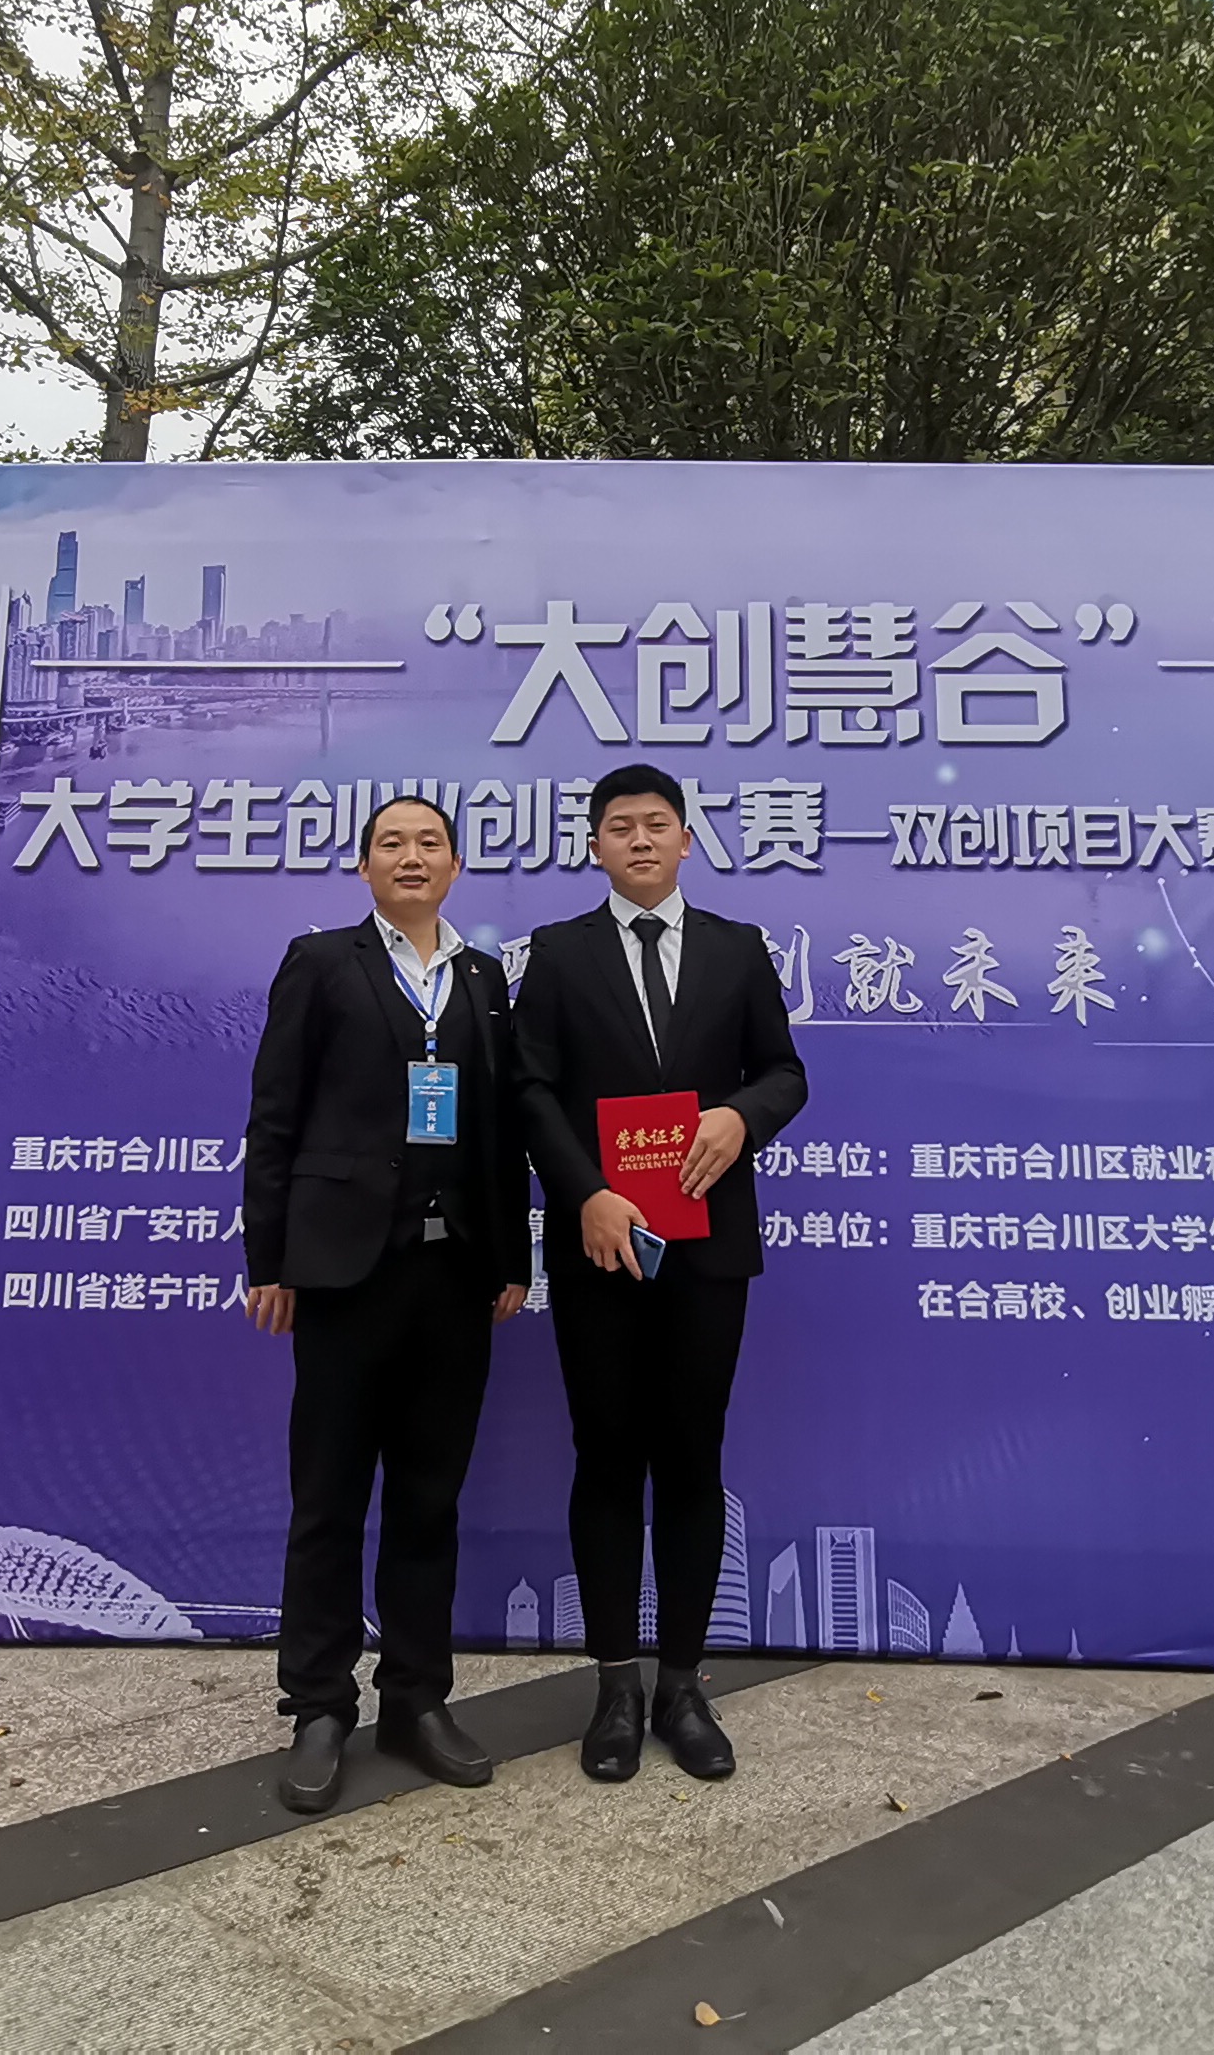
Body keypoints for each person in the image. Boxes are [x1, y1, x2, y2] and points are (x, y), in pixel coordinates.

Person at [515, 763, 807, 1786]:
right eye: (619, 826)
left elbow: (786, 1071)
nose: (639, 840)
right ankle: (614, 1686)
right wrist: (585, 1193)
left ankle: (682, 1685)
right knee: (605, 1458)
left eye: (656, 824)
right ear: (595, 846)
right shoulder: (558, 953)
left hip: (707, 1245)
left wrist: (740, 1116)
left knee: (691, 1457)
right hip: (600, 1246)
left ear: (687, 840)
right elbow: (530, 1088)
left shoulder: (737, 948)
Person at [242, 797, 532, 1816]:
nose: (411, 857)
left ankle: (416, 1699)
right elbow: (275, 1115)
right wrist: (269, 1258)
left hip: (455, 1279)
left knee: (428, 1502)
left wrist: (512, 1257)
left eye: (429, 844)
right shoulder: (322, 963)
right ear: (364, 866)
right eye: (391, 844)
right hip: (341, 1273)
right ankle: (320, 1706)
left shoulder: (484, 979)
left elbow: (499, 1130)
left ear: (455, 867)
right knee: (327, 1500)